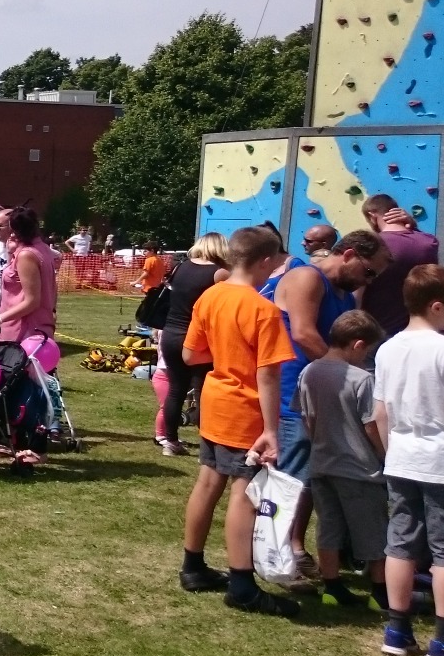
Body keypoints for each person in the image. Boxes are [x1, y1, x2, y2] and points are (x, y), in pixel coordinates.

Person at [178, 225, 297, 616]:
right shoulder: (264, 310)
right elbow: (268, 375)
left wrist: (226, 355)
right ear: (266, 261)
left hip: (215, 400)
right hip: (245, 409)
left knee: (208, 480)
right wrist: (272, 431)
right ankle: (242, 584)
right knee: (245, 494)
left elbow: (191, 355)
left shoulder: (211, 296)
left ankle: (193, 565)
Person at [262, 228, 387, 577]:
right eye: (369, 272)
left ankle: (295, 546)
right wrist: (346, 377)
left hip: (322, 396)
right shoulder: (306, 278)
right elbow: (303, 334)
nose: (370, 280)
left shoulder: (344, 294)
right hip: (294, 396)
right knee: (293, 477)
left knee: (314, 478)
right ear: (348, 255)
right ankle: (278, 551)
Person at [374, 264, 444, 656]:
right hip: (439, 460)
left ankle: (397, 629)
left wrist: (389, 452)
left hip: (401, 457)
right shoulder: (441, 349)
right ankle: (442, 640)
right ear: (436, 306)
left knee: (399, 545)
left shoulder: (387, 348)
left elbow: (381, 411)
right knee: (443, 550)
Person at [299, 309, 389, 610]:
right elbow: (371, 424)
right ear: (358, 345)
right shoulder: (362, 379)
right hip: (359, 468)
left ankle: (332, 587)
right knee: (374, 529)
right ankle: (380, 592)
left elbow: (306, 418)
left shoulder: (309, 371)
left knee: (329, 527)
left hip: (322, 463)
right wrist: (384, 453)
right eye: (368, 352)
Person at [159, 233, 232, 457]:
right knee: (203, 390)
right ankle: (207, 443)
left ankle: (170, 441)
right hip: (199, 336)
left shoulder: (180, 268)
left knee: (176, 389)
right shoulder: (220, 273)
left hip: (171, 333)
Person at [364, 194, 441, 336]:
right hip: (426, 330)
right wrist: (413, 225)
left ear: (372, 216)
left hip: (381, 331)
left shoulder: (371, 246)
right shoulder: (429, 242)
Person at [0, 206, 58, 345]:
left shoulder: (27, 255)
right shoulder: (42, 248)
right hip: (37, 326)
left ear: (13, 230)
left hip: (24, 330)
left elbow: (32, 301)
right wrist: (10, 253)